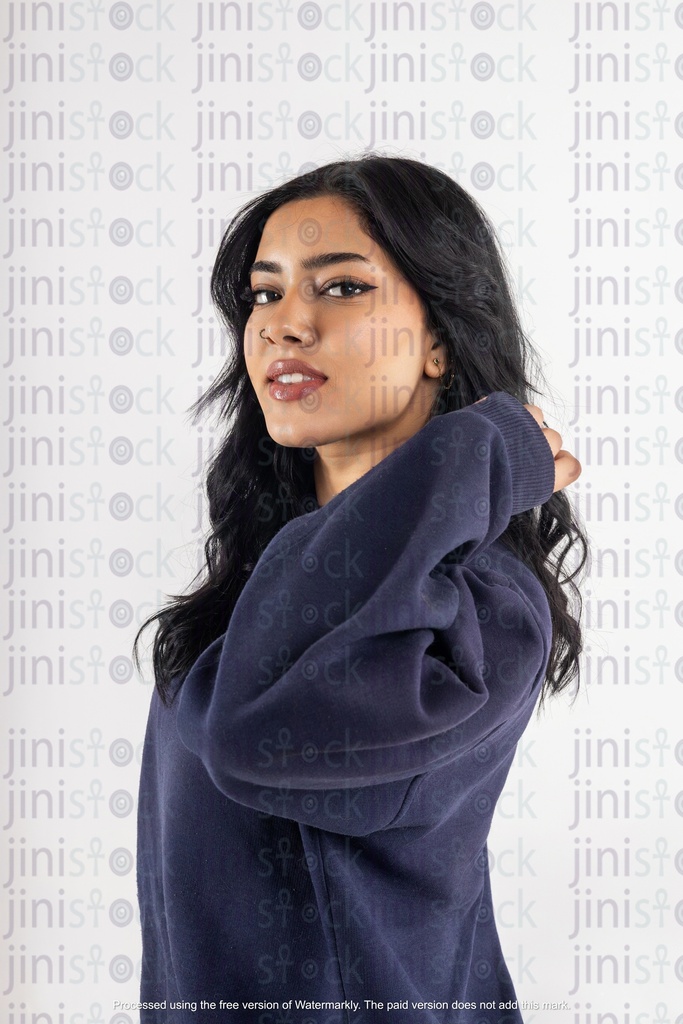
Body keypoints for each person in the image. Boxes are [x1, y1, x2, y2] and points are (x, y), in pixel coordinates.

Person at [135, 155, 587, 1023]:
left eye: (340, 289)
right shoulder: (273, 570)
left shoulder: (484, 602)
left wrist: (472, 452)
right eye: (264, 295)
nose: (283, 326)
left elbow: (254, 740)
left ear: (440, 339)